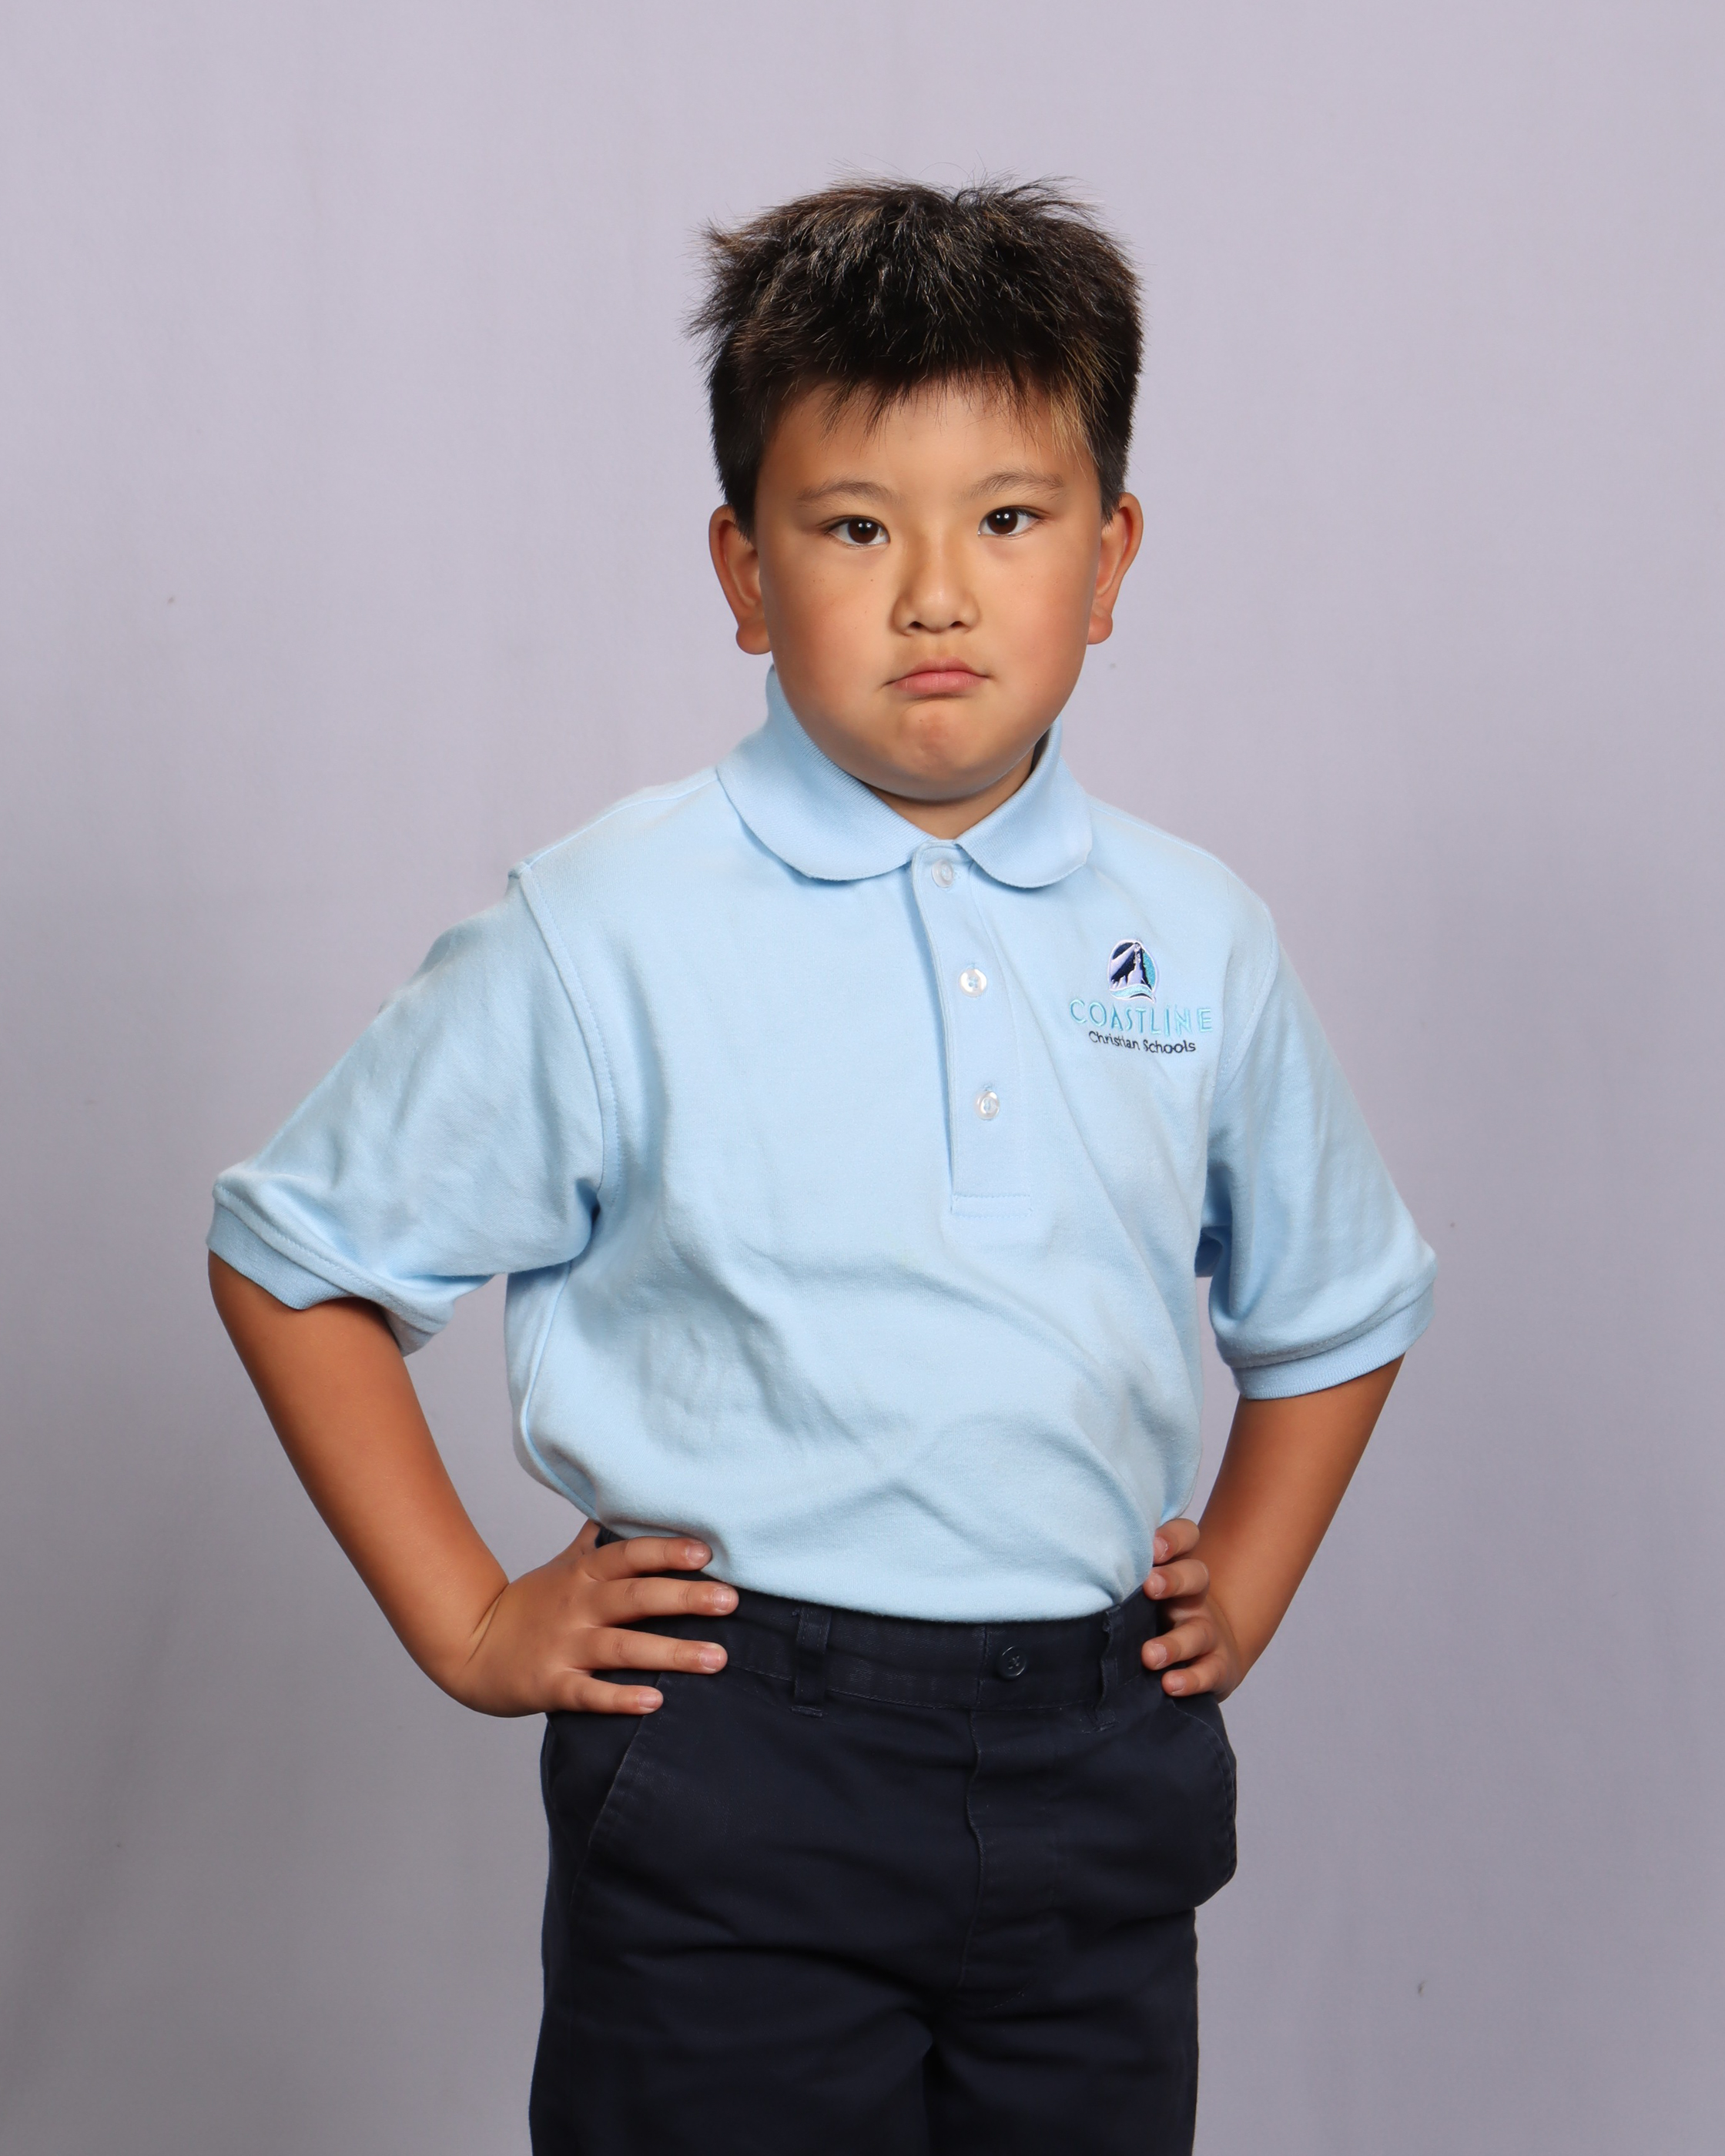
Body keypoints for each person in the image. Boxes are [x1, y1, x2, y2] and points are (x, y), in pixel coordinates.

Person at [208, 179, 1435, 2155]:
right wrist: (469, 1618)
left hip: (1095, 1765)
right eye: (855, 526)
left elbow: (1342, 1300)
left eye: (1008, 519)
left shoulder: (1195, 935)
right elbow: (297, 1256)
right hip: (739, 1757)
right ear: (743, 567)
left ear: (1109, 557)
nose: (934, 592)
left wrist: (1249, 1576)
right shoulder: (608, 923)